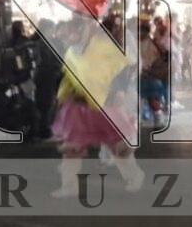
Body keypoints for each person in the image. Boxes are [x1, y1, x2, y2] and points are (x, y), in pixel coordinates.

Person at [50, 16, 144, 197]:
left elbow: (123, 66)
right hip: (79, 105)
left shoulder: (103, 46)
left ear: (83, 30)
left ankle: (134, 176)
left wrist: (120, 90)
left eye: (72, 32)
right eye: (67, 33)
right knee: (72, 146)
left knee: (116, 144)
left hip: (104, 103)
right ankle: (69, 186)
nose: (69, 36)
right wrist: (63, 95)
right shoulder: (71, 52)